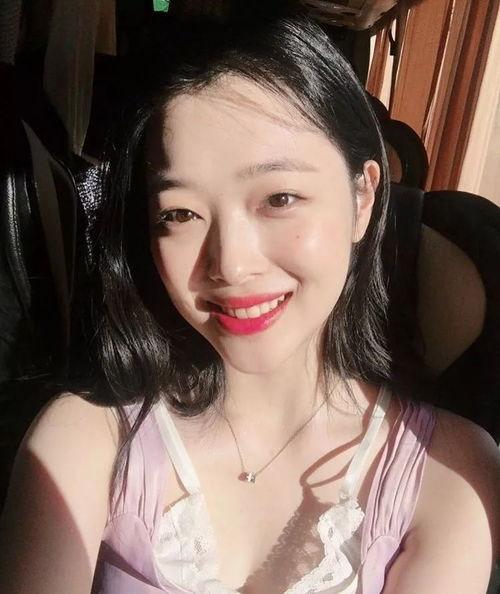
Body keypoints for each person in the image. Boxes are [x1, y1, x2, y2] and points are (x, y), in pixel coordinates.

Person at [0, 12, 498, 594]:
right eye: (180, 213)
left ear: (363, 196)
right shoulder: (86, 442)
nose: (230, 265)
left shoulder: (449, 476)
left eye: (279, 198)